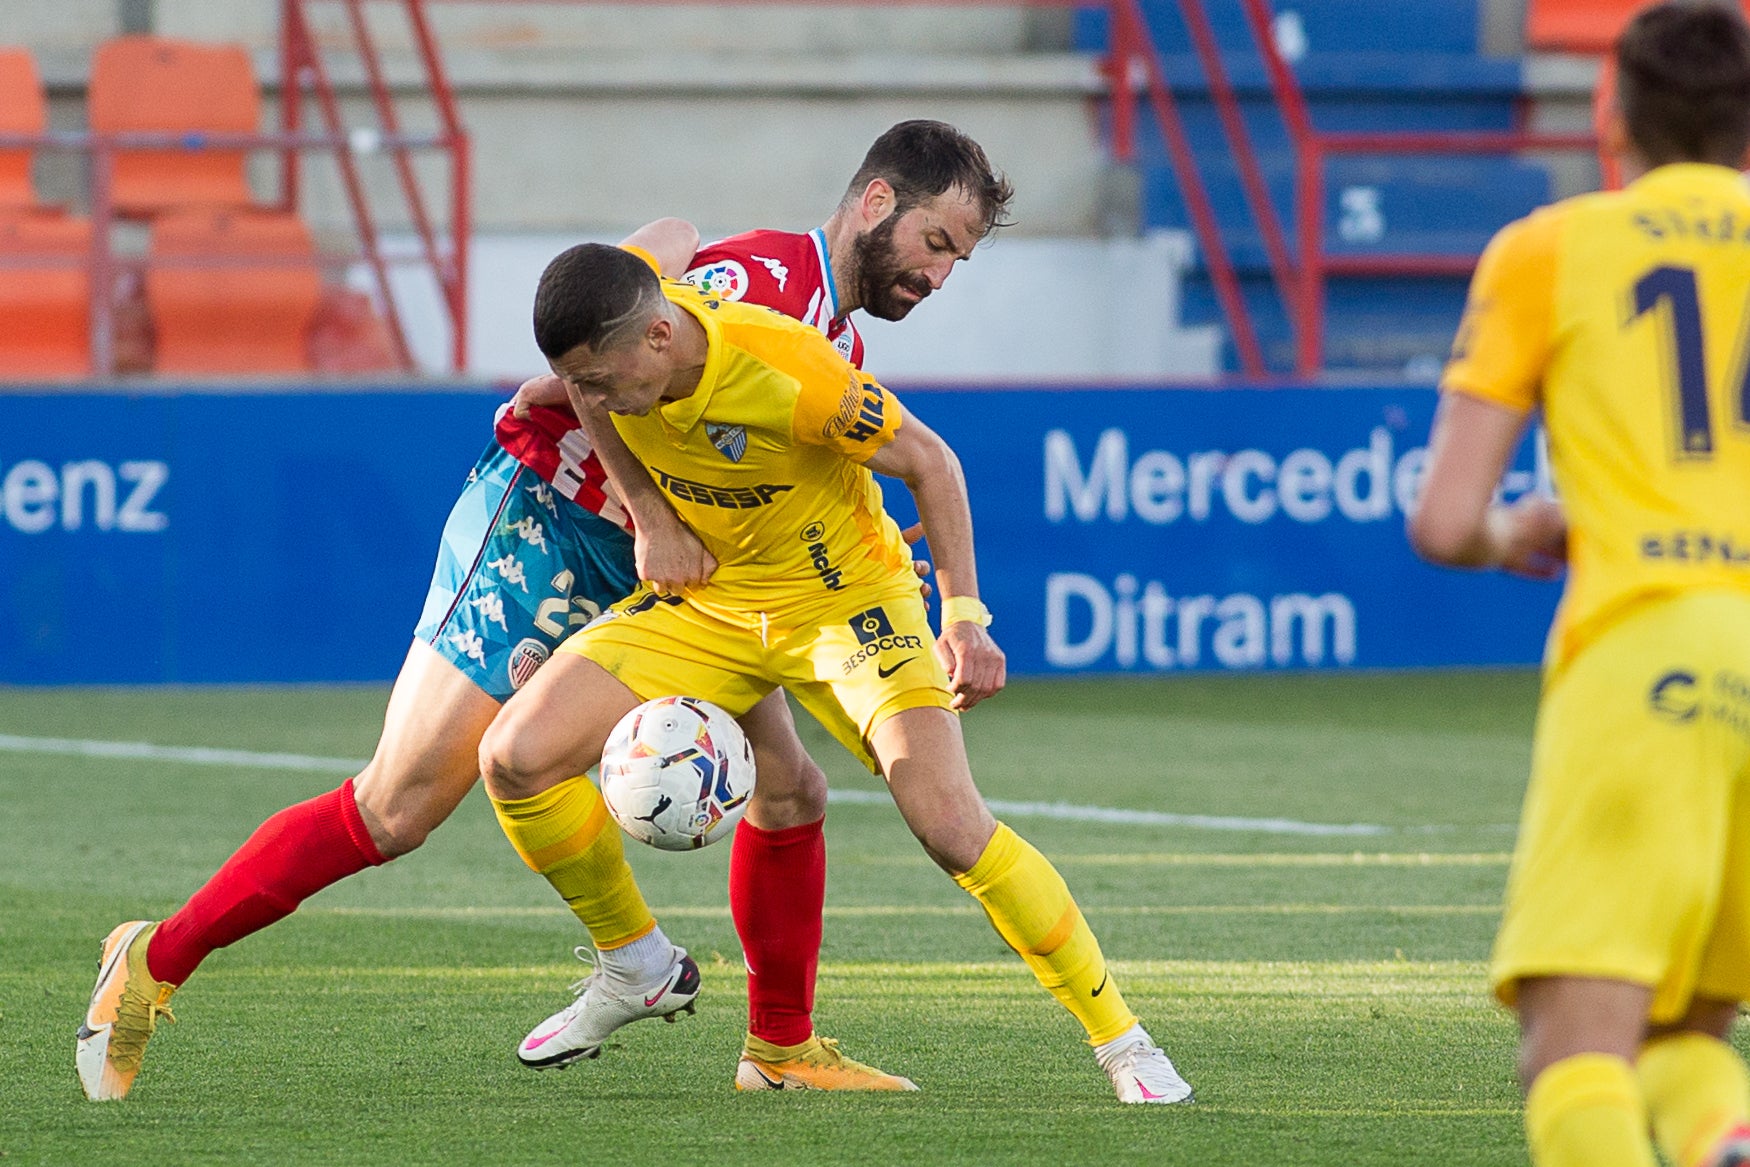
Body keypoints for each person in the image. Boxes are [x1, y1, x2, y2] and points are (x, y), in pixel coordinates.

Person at [75, 122, 1066, 1101]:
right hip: (551, 523)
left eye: (958, 262)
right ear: (877, 202)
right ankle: (154, 960)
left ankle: (777, 1048)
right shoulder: (759, 286)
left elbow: (755, 423)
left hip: (679, 577)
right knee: (398, 806)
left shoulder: (828, 335)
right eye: (938, 243)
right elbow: (579, 369)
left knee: (791, 788)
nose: (938, 276)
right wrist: (643, 510)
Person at [476, 239, 1194, 1106]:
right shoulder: (613, 354)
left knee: (950, 825)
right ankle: (636, 963)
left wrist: (964, 619)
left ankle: (1125, 1041)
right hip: (716, 601)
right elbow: (584, 396)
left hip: (845, 602)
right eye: (576, 380)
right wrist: (648, 513)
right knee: (512, 756)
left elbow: (932, 463)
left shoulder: (787, 370)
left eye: (599, 379)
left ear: (661, 337)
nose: (586, 398)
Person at [1409, 5, 1750, 1163]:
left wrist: (1522, 533)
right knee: (1688, 1035)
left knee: (1574, 1056)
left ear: (1610, 111)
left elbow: (1446, 520)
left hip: (1644, 649)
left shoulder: (1552, 247)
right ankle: (1718, 1138)